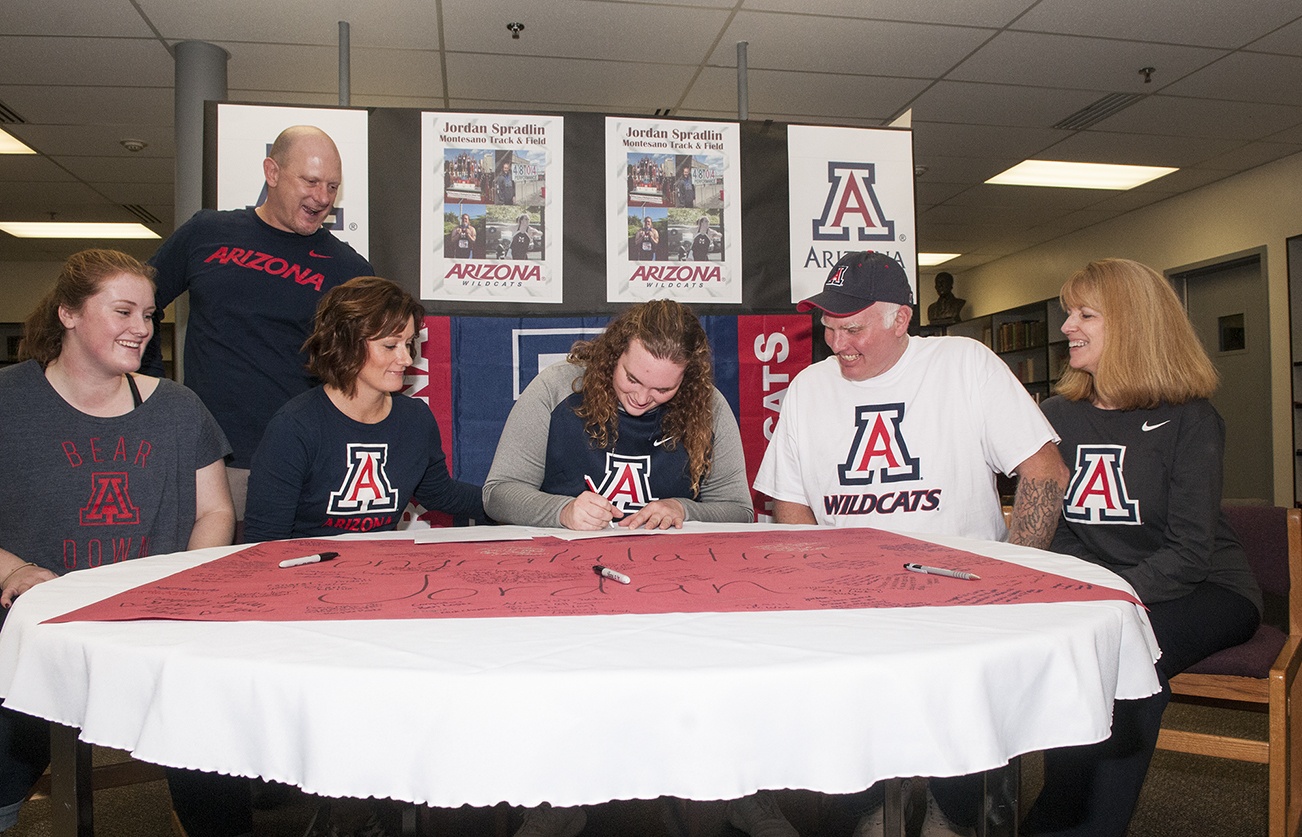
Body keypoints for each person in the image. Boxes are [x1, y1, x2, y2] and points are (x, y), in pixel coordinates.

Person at [751, 251, 1068, 837]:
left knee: (958, 779)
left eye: (854, 327)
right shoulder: (807, 388)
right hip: (850, 606)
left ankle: (953, 816)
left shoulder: (964, 364)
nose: (836, 341)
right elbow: (788, 501)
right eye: (828, 325)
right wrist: (813, 582)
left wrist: (1015, 578)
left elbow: (1044, 471)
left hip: (959, 604)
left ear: (901, 320)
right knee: (855, 776)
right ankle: (865, 816)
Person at [0, 249, 250, 837]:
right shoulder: (8, 400)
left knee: (212, 753)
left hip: (153, 629)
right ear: (67, 313)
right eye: (123, 311)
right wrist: (14, 569)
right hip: (37, 626)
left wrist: (179, 586)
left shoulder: (179, 408)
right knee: (15, 742)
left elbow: (215, 511)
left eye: (147, 313)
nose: (141, 328)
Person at [1022, 259, 1261, 837]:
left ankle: (1076, 825)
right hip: (1113, 590)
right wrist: (1095, 594)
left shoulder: (1191, 419)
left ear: (1131, 325)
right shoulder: (1056, 415)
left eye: (1085, 315)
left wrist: (1109, 599)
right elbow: (1065, 533)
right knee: (1085, 652)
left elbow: (1189, 551)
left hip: (1207, 588)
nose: (1066, 327)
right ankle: (1061, 816)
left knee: (1129, 662)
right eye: (1067, 313)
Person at [142, 125, 373, 521]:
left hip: (298, 458)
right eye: (311, 181)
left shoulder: (347, 268)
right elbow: (138, 303)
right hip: (208, 457)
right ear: (272, 171)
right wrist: (150, 387)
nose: (322, 198)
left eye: (333, 187)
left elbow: (368, 362)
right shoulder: (207, 232)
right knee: (204, 575)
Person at [244, 277, 485, 542]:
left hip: (380, 574)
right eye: (391, 345)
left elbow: (441, 493)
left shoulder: (415, 419)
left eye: (409, 343)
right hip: (305, 574)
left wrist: (521, 505)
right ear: (346, 344)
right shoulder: (294, 427)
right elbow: (264, 541)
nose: (406, 359)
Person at [483, 298, 752, 532]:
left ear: (688, 378)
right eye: (632, 379)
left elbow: (739, 510)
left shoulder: (706, 405)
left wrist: (682, 510)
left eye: (663, 388)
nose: (642, 398)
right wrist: (562, 512)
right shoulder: (557, 387)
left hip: (668, 567)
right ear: (614, 354)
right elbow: (498, 493)